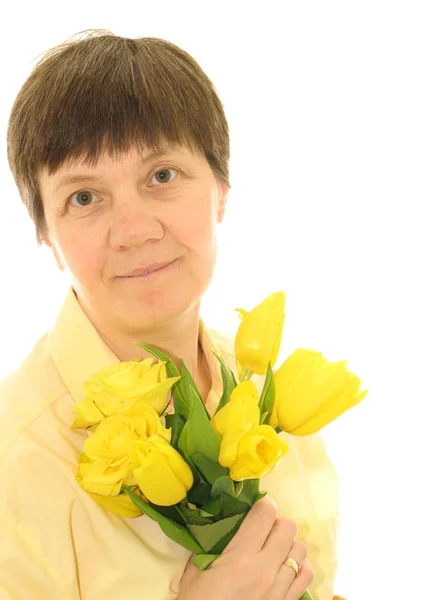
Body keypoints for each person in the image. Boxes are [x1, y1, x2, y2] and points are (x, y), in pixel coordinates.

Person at [0, 29, 343, 599]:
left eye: (162, 176)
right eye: (84, 197)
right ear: (47, 236)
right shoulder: (15, 457)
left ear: (221, 191)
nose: (134, 231)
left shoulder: (268, 391)